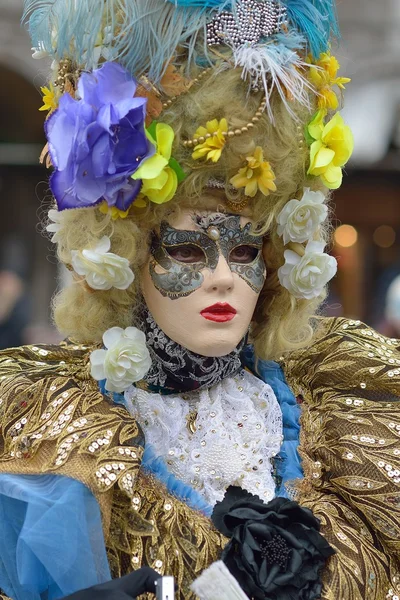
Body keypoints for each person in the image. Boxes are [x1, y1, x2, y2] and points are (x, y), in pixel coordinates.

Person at [0, 1, 399, 599]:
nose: (223, 279)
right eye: (187, 251)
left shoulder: (340, 410)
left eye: (245, 254)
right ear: (130, 259)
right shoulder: (51, 423)